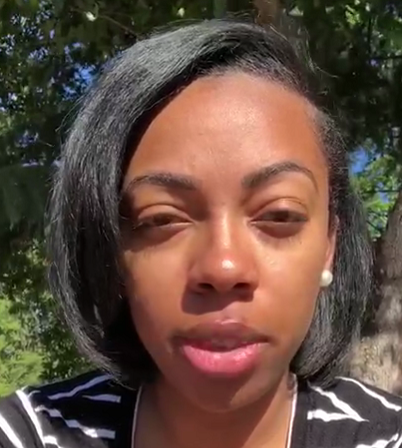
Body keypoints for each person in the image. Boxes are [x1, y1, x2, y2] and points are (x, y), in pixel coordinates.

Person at [0, 18, 400, 448]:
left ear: (328, 246)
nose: (224, 268)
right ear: (113, 252)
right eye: (162, 219)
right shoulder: (31, 433)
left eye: (279, 215)